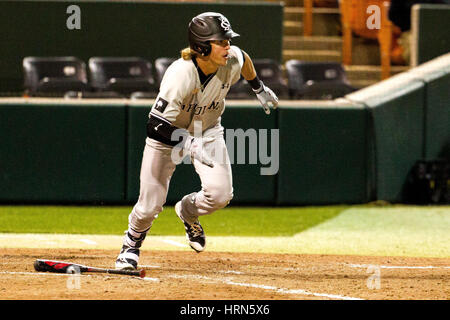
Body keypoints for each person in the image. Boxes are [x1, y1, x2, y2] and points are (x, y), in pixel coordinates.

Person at [115, 12, 279, 270]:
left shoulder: (231, 58)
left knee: (220, 195)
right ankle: (130, 246)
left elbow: (244, 59)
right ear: (201, 46)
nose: (227, 46)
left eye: (227, 40)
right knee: (149, 206)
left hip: (208, 130)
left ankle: (188, 211)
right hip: (169, 134)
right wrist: (186, 142)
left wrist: (258, 87)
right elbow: (154, 125)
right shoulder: (180, 74)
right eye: (221, 41)